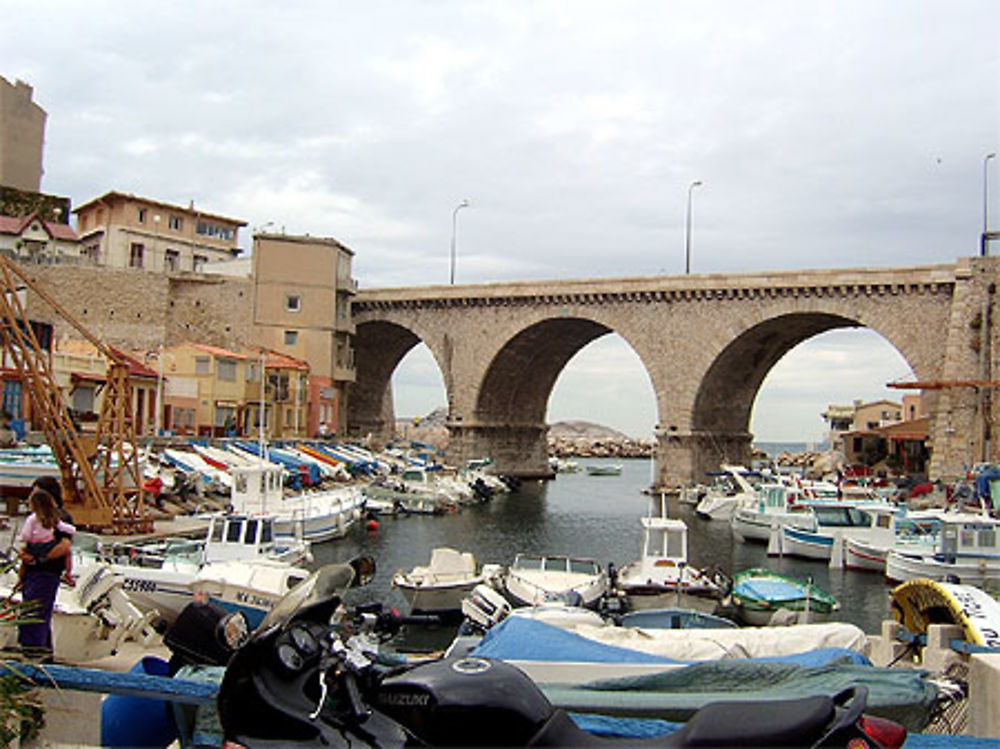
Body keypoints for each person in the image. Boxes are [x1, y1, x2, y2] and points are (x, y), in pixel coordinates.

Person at [16, 487, 75, 661]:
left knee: (35, 612)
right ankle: (42, 652)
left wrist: (39, 558)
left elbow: (65, 546)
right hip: (35, 571)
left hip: (46, 572)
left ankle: (34, 652)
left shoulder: (55, 519)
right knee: (37, 611)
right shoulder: (39, 520)